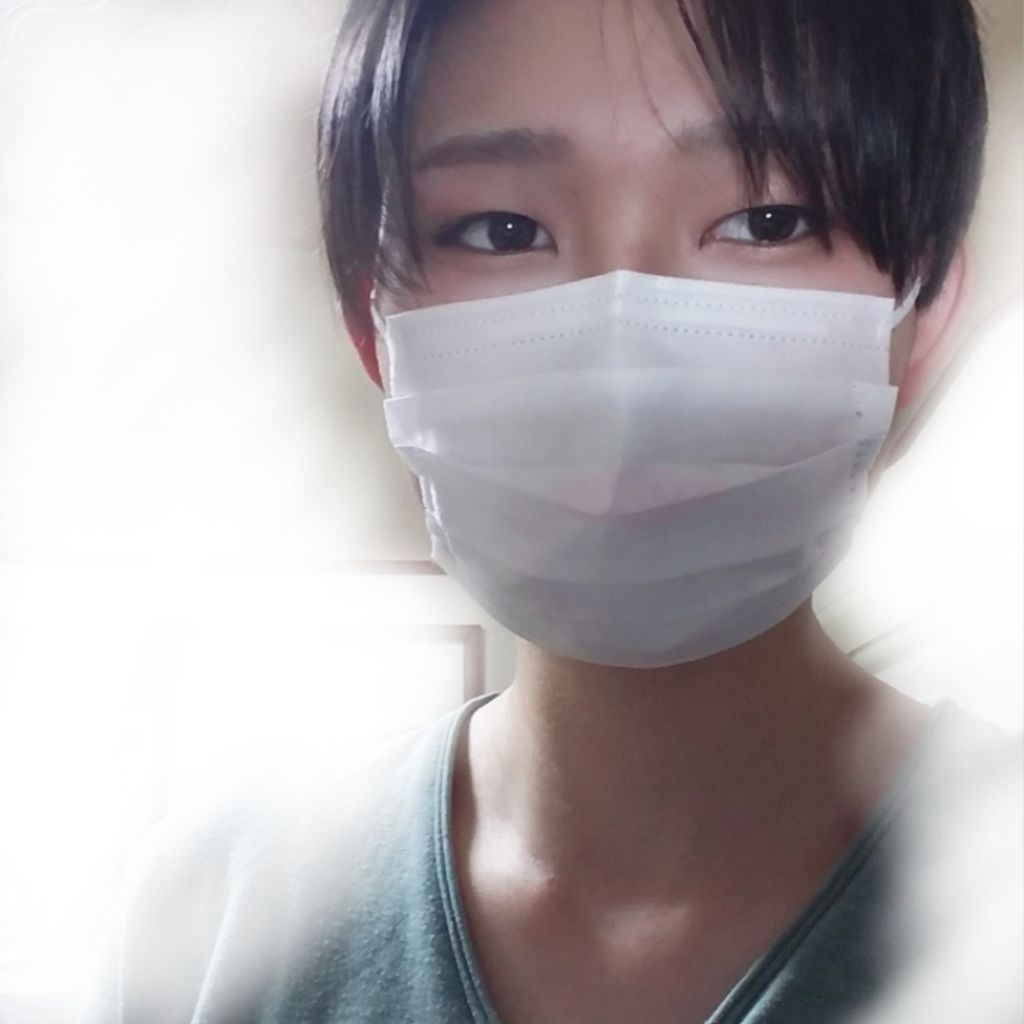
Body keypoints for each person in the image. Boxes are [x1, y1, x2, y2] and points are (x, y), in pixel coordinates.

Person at [80, 1, 1021, 1022]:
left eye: (766, 222)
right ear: (375, 332)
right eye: (503, 231)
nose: (626, 365)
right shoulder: (212, 916)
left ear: (923, 312)